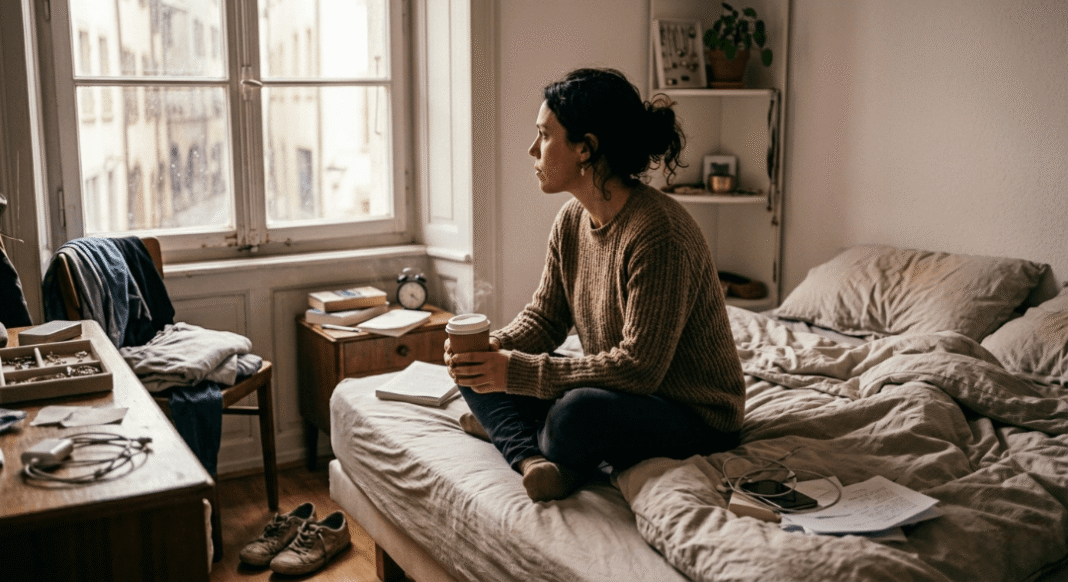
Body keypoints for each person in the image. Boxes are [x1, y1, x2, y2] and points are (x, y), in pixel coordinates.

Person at [445, 67, 745, 502]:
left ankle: (516, 434)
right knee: (477, 370)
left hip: (692, 414)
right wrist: (493, 348)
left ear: (585, 149)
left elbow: (639, 368)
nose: (532, 149)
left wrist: (517, 372)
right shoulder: (571, 220)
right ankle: (537, 459)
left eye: (544, 135)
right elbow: (546, 319)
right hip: (623, 392)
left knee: (576, 412)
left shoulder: (659, 233)